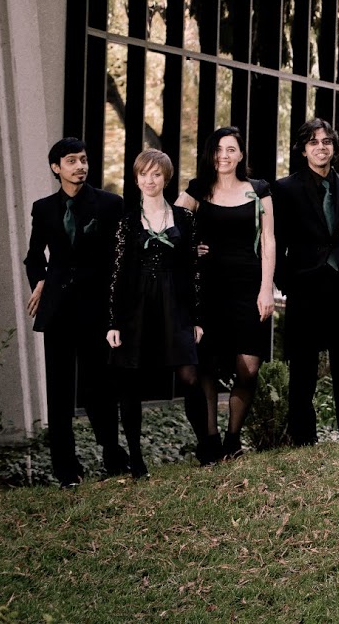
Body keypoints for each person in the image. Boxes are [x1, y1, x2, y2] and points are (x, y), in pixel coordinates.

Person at [24, 137, 126, 487]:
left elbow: (119, 259)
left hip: (96, 310)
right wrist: (40, 281)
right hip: (57, 310)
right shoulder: (43, 208)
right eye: (71, 161)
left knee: (99, 386)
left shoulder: (110, 204)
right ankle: (66, 469)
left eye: (83, 159)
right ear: (56, 168)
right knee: (59, 389)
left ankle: (113, 455)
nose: (80, 166)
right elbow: (34, 257)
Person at [175, 127, 275, 461]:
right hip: (209, 289)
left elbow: (269, 241)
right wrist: (191, 248)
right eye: (218, 149)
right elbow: (170, 226)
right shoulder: (198, 190)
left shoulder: (258, 190)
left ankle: (233, 438)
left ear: (241, 154)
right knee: (206, 366)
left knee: (248, 368)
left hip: (249, 286)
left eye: (231, 149)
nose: (224, 156)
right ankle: (211, 440)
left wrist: (266, 289)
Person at [106, 149, 203, 479]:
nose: (150, 180)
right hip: (137, 306)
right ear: (136, 179)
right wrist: (114, 322)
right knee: (130, 380)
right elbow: (117, 273)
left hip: (175, 303)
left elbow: (193, 270)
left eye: (156, 174)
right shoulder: (127, 221)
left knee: (189, 376)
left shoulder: (185, 218)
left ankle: (207, 447)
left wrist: (197, 319)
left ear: (166, 178)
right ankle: (136, 459)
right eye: (144, 174)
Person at [272, 119, 339, 445]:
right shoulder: (285, 189)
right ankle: (302, 436)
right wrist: (286, 282)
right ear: (303, 149)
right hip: (305, 288)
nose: (320, 147)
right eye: (313, 142)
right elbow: (276, 240)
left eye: (326, 141)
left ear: (334, 147)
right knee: (302, 367)